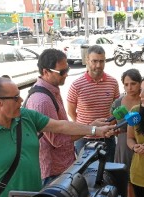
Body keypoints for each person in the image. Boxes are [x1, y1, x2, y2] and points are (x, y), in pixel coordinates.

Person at [0, 77, 114, 197]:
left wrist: (95, 130)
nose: (21, 100)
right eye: (15, 98)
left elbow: (61, 126)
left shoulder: (25, 116)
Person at [23, 49, 109, 186]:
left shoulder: (51, 90)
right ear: (45, 72)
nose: (67, 74)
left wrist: (92, 125)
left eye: (67, 69)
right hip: (53, 172)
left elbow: (64, 126)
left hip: (62, 166)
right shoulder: (41, 100)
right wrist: (92, 130)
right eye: (62, 72)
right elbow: (57, 139)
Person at [67, 45, 120, 162]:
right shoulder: (76, 85)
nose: (98, 65)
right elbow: (71, 112)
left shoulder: (113, 83)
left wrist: (112, 126)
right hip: (84, 139)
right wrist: (87, 127)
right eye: (94, 61)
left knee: (108, 173)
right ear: (87, 60)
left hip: (107, 137)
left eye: (102, 61)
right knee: (85, 176)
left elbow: (116, 108)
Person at [112, 68, 142, 197]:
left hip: (142, 142)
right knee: (128, 178)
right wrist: (115, 130)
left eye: (133, 83)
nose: (130, 87)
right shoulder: (118, 103)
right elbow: (113, 124)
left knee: (142, 175)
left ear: (140, 83)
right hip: (124, 144)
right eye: (126, 84)